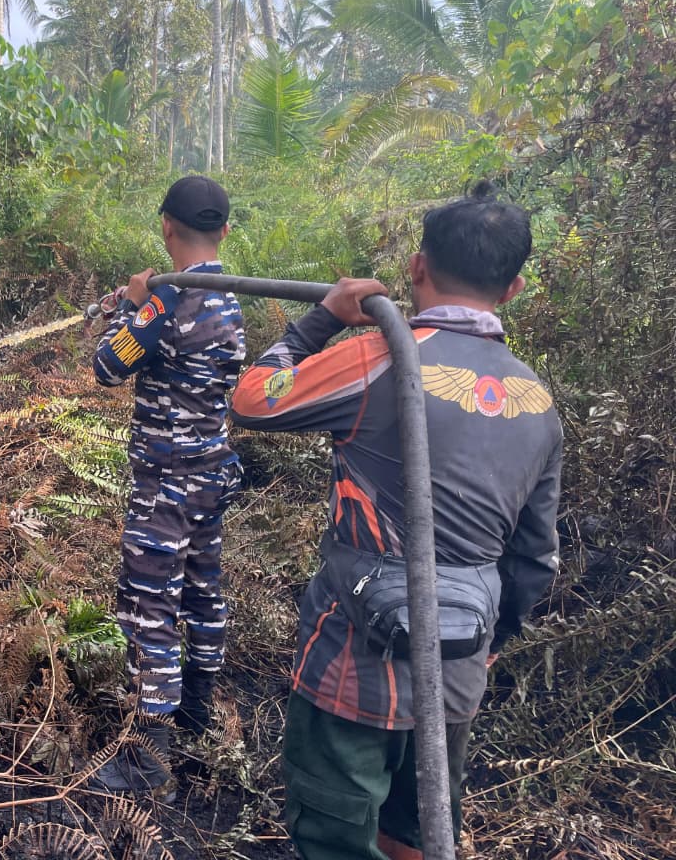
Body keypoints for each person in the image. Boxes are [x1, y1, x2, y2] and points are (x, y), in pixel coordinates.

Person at [229, 182, 562, 860]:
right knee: (416, 828)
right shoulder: (536, 400)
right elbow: (535, 559)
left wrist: (320, 319)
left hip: (354, 667)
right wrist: (490, 641)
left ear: (416, 267)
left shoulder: (376, 356)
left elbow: (252, 400)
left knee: (336, 838)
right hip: (459, 672)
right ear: (515, 288)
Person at [88, 175, 246, 797]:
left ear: (166, 227)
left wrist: (132, 306)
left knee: (149, 608)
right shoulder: (231, 297)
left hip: (166, 486)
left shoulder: (169, 301)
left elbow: (106, 366)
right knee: (204, 594)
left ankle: (150, 759)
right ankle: (199, 716)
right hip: (211, 474)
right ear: (225, 231)